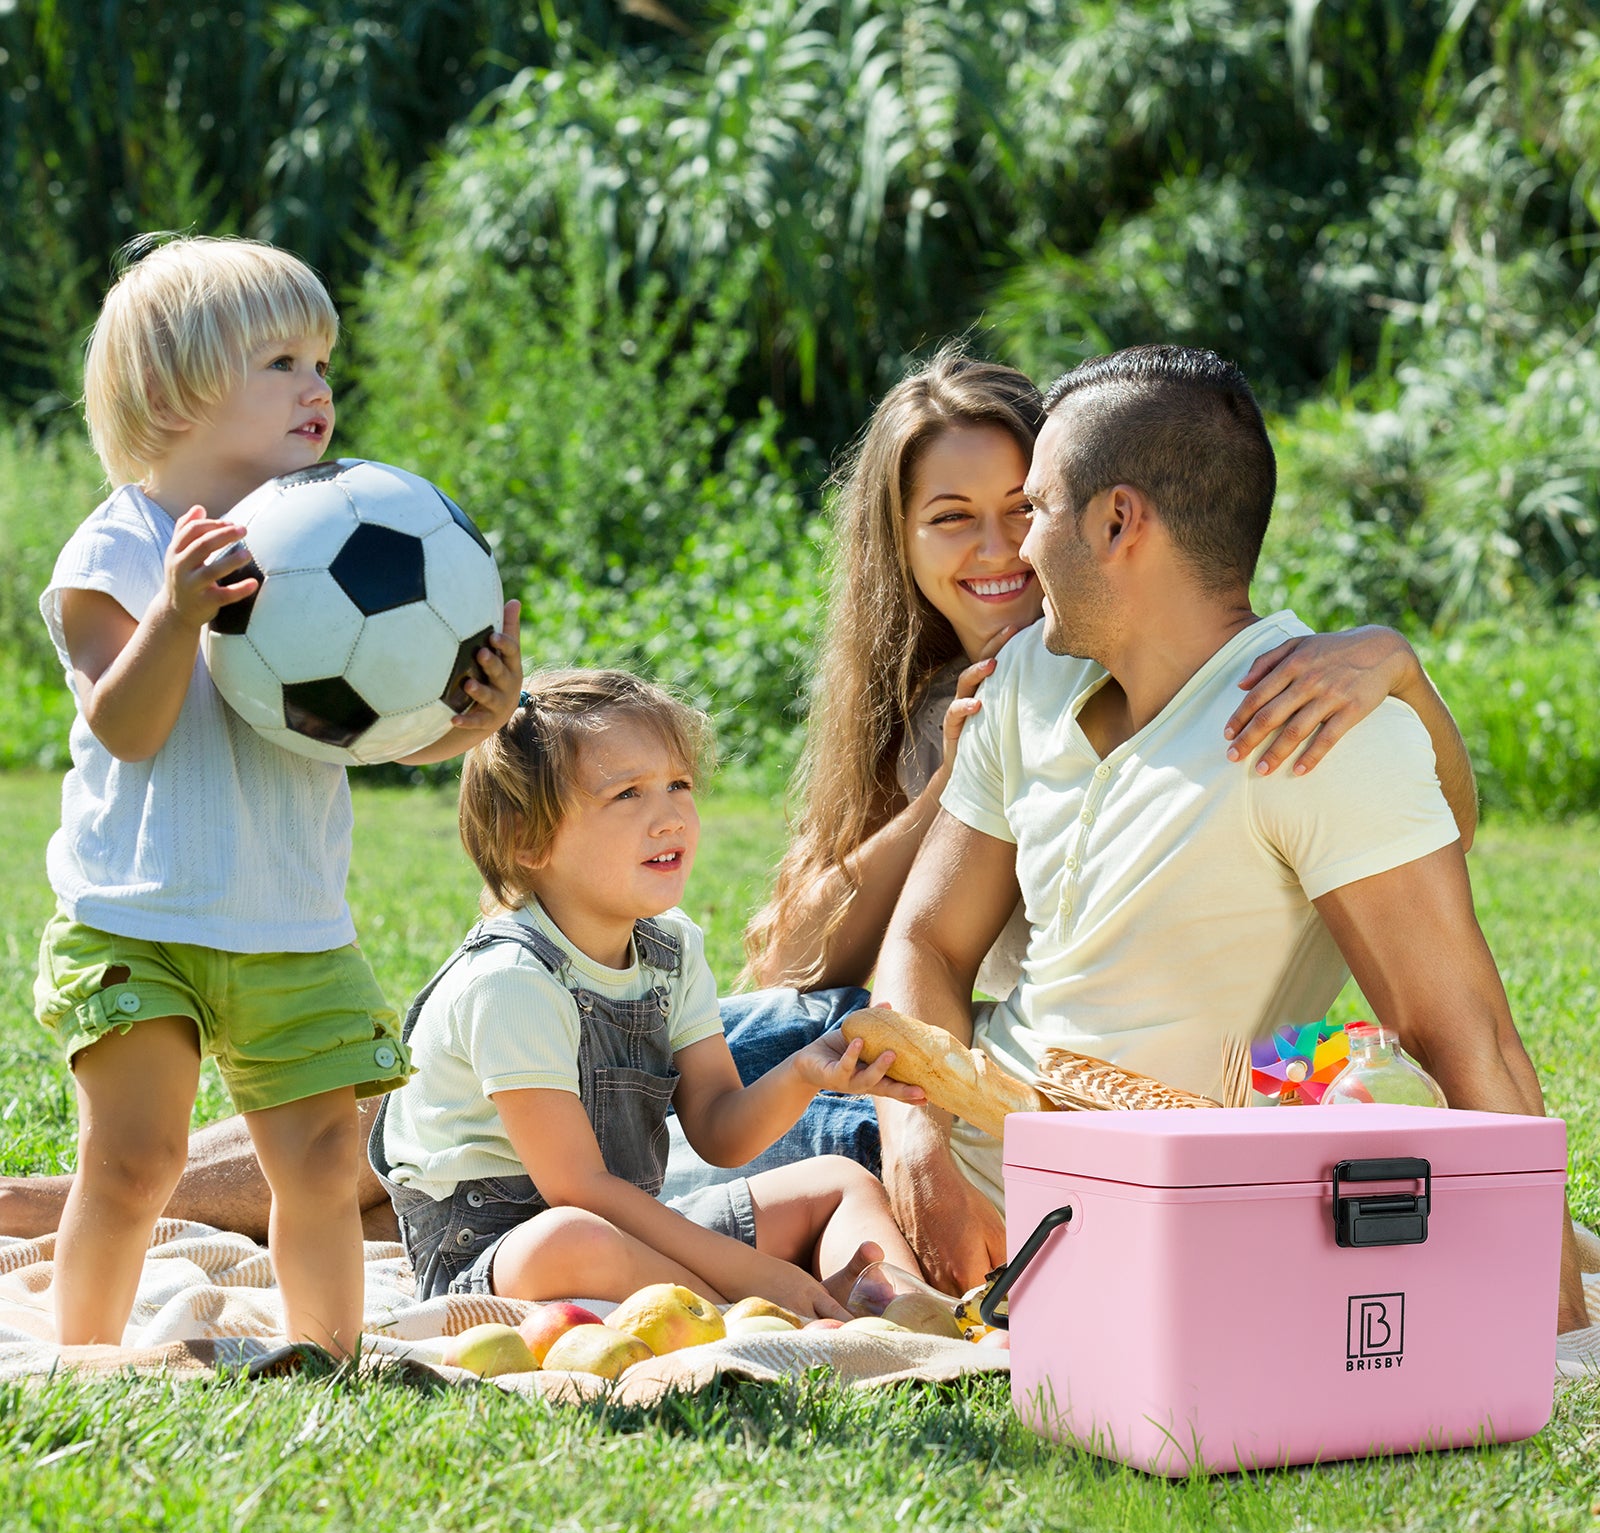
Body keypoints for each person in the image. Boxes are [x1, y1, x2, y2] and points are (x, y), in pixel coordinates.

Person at [0, 345, 1476, 1245]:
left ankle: (100, 1204)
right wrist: (948, 784)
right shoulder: (956, 704)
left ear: (1101, 512)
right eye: (948, 519)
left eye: (1016, 509)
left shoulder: (1192, 673)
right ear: (896, 545)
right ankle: (84, 1207)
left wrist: (1398, 663)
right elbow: (818, 946)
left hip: (926, 1075)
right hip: (853, 1048)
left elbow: (1419, 832)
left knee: (472, 1138)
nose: (995, 552)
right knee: (473, 1122)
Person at [866, 344, 1587, 1333]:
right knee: (697, 1080)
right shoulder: (1027, 672)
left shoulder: (1317, 730)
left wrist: (1554, 1328)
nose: (1018, 550)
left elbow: (1464, 1039)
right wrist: (916, 1147)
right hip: (889, 1113)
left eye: (1035, 510)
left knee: (641, 1177)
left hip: (1084, 1203)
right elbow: (924, 943)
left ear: (1119, 520)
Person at [30, 235, 523, 1352]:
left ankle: (327, 1357)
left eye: (323, 362)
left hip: (291, 923)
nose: (319, 387)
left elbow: (370, 733)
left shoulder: (335, 526)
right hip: (136, 917)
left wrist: (469, 720)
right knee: (137, 1155)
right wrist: (176, 613)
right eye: (282, 362)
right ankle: (86, 1357)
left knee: (317, 1160)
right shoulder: (114, 548)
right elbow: (127, 723)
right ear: (172, 389)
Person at [369, 667, 923, 1316]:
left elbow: (718, 1131)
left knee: (839, 1182)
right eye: (628, 794)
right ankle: (770, 1314)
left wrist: (803, 1074)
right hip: (496, 1255)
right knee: (575, 1240)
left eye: (679, 784)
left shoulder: (670, 950)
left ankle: (913, 1319)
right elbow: (579, 1189)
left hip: (632, 1230)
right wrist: (755, 1278)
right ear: (527, 838)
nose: (670, 817)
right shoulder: (511, 982)